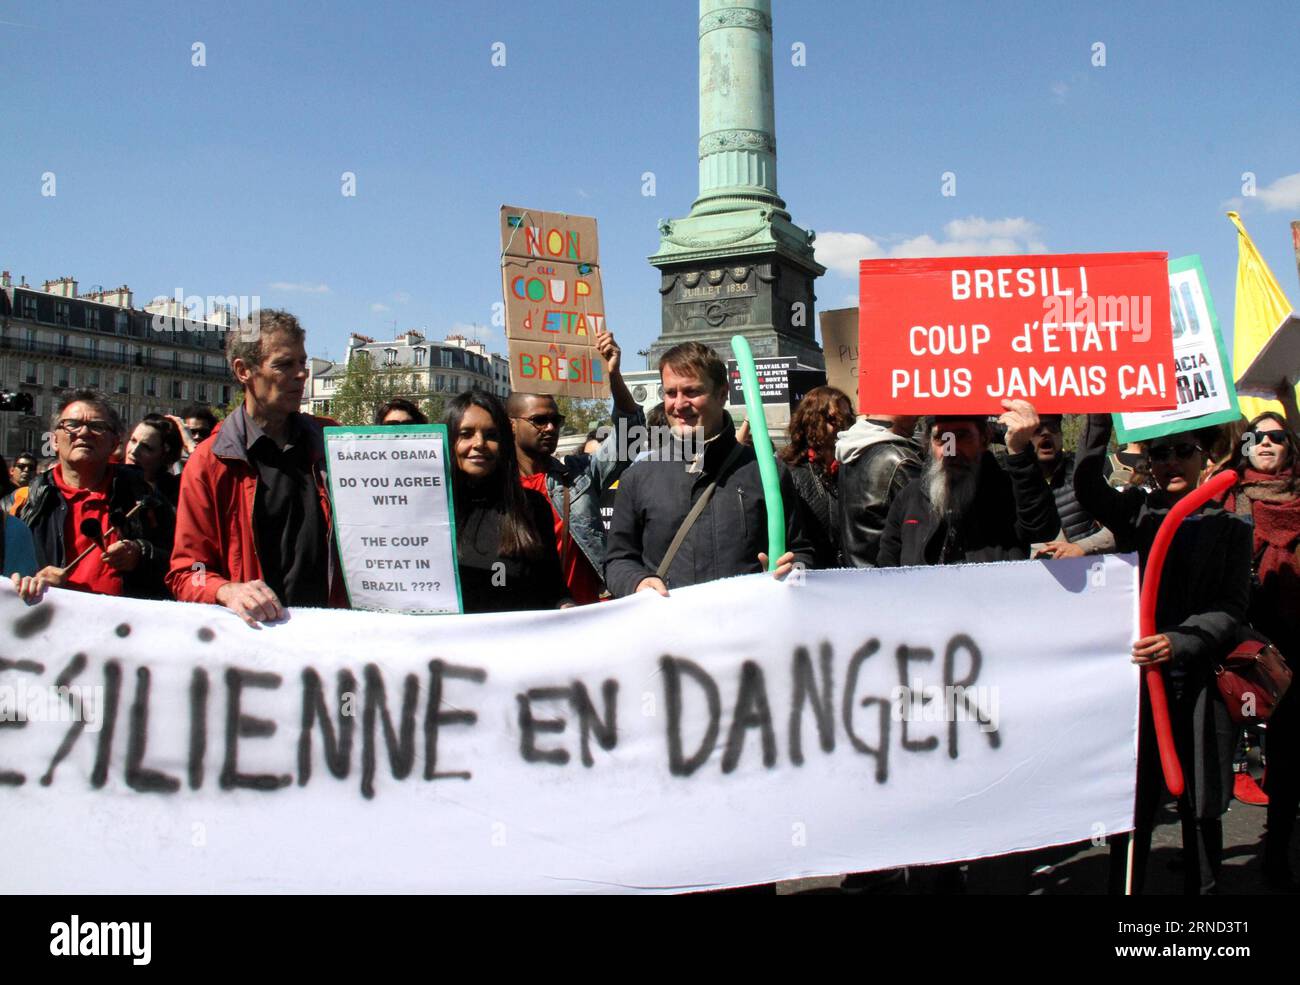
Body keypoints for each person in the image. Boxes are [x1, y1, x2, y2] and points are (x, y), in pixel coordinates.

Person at [1074, 414, 1251, 894]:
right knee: (1133, 804)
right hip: (1137, 688)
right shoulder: (1137, 513)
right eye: (1159, 452)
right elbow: (1087, 486)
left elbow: (1232, 608)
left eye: (1182, 450)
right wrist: (1098, 419)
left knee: (1200, 802)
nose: (1170, 461)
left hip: (1197, 685)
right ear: (1147, 462)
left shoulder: (1232, 527)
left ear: (1204, 458)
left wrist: (1183, 641)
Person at [167, 309, 347, 626]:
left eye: (303, 363)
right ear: (244, 371)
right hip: (256, 647)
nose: (302, 374)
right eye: (284, 364)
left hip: (329, 643)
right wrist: (225, 590)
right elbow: (188, 572)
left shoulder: (333, 443)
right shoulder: (210, 461)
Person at [604, 342, 814, 597]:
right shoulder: (638, 477)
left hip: (748, 627)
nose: (679, 404)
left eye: (692, 392)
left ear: (722, 393)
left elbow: (804, 553)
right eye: (670, 393)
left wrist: (796, 572)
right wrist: (636, 582)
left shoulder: (766, 471)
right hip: (669, 631)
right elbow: (617, 561)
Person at [1222, 389, 1300, 890]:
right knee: (1219, 750)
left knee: (1291, 754)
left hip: (1295, 644)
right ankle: (1205, 850)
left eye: (1279, 436)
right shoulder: (1230, 496)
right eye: (1259, 436)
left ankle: (1277, 846)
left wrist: (1285, 396)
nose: (1268, 443)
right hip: (1243, 639)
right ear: (1245, 444)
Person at [509, 328, 644, 605]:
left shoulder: (578, 477)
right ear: (511, 425)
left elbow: (631, 437)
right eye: (538, 420)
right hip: (526, 624)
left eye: (555, 420)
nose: (550, 428)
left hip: (588, 616)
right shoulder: (494, 489)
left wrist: (613, 375)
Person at [11, 389, 172, 602]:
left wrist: (141, 554)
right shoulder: (21, 503)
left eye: (97, 426)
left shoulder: (146, 500)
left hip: (125, 629)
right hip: (44, 628)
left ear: (115, 444)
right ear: (54, 441)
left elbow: (190, 568)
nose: (84, 433)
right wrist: (28, 579)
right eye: (72, 425)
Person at [877, 404, 1059, 567]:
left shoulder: (1008, 490)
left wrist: (1019, 452)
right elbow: (887, 567)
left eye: (962, 436)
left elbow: (1042, 530)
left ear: (984, 438)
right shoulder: (909, 497)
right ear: (929, 444)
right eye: (941, 438)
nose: (951, 450)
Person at [446, 389, 570, 613]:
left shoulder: (533, 507)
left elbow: (553, 589)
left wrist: (567, 607)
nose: (479, 443)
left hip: (521, 644)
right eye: (466, 434)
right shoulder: (430, 513)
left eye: (491, 435)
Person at [834, 412, 922, 568]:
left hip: (857, 576)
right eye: (911, 405)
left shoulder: (852, 444)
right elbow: (926, 526)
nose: (919, 414)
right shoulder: (899, 459)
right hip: (887, 579)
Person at [780, 386, 855, 568]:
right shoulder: (790, 474)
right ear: (811, 421)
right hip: (813, 578)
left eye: (847, 419)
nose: (842, 426)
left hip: (854, 580)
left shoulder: (857, 468)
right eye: (833, 419)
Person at [1029, 415, 1115, 558]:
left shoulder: (1082, 474)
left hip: (1090, 572)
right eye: (1037, 430)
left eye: (1053, 429)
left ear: (1061, 436)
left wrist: (1082, 547)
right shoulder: (1013, 484)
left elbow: (1119, 527)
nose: (1045, 433)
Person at [126, 414, 184, 506]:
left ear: (165, 456)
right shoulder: (109, 481)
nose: (134, 451)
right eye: (133, 440)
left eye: (146, 447)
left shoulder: (175, 496)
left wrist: (190, 444)